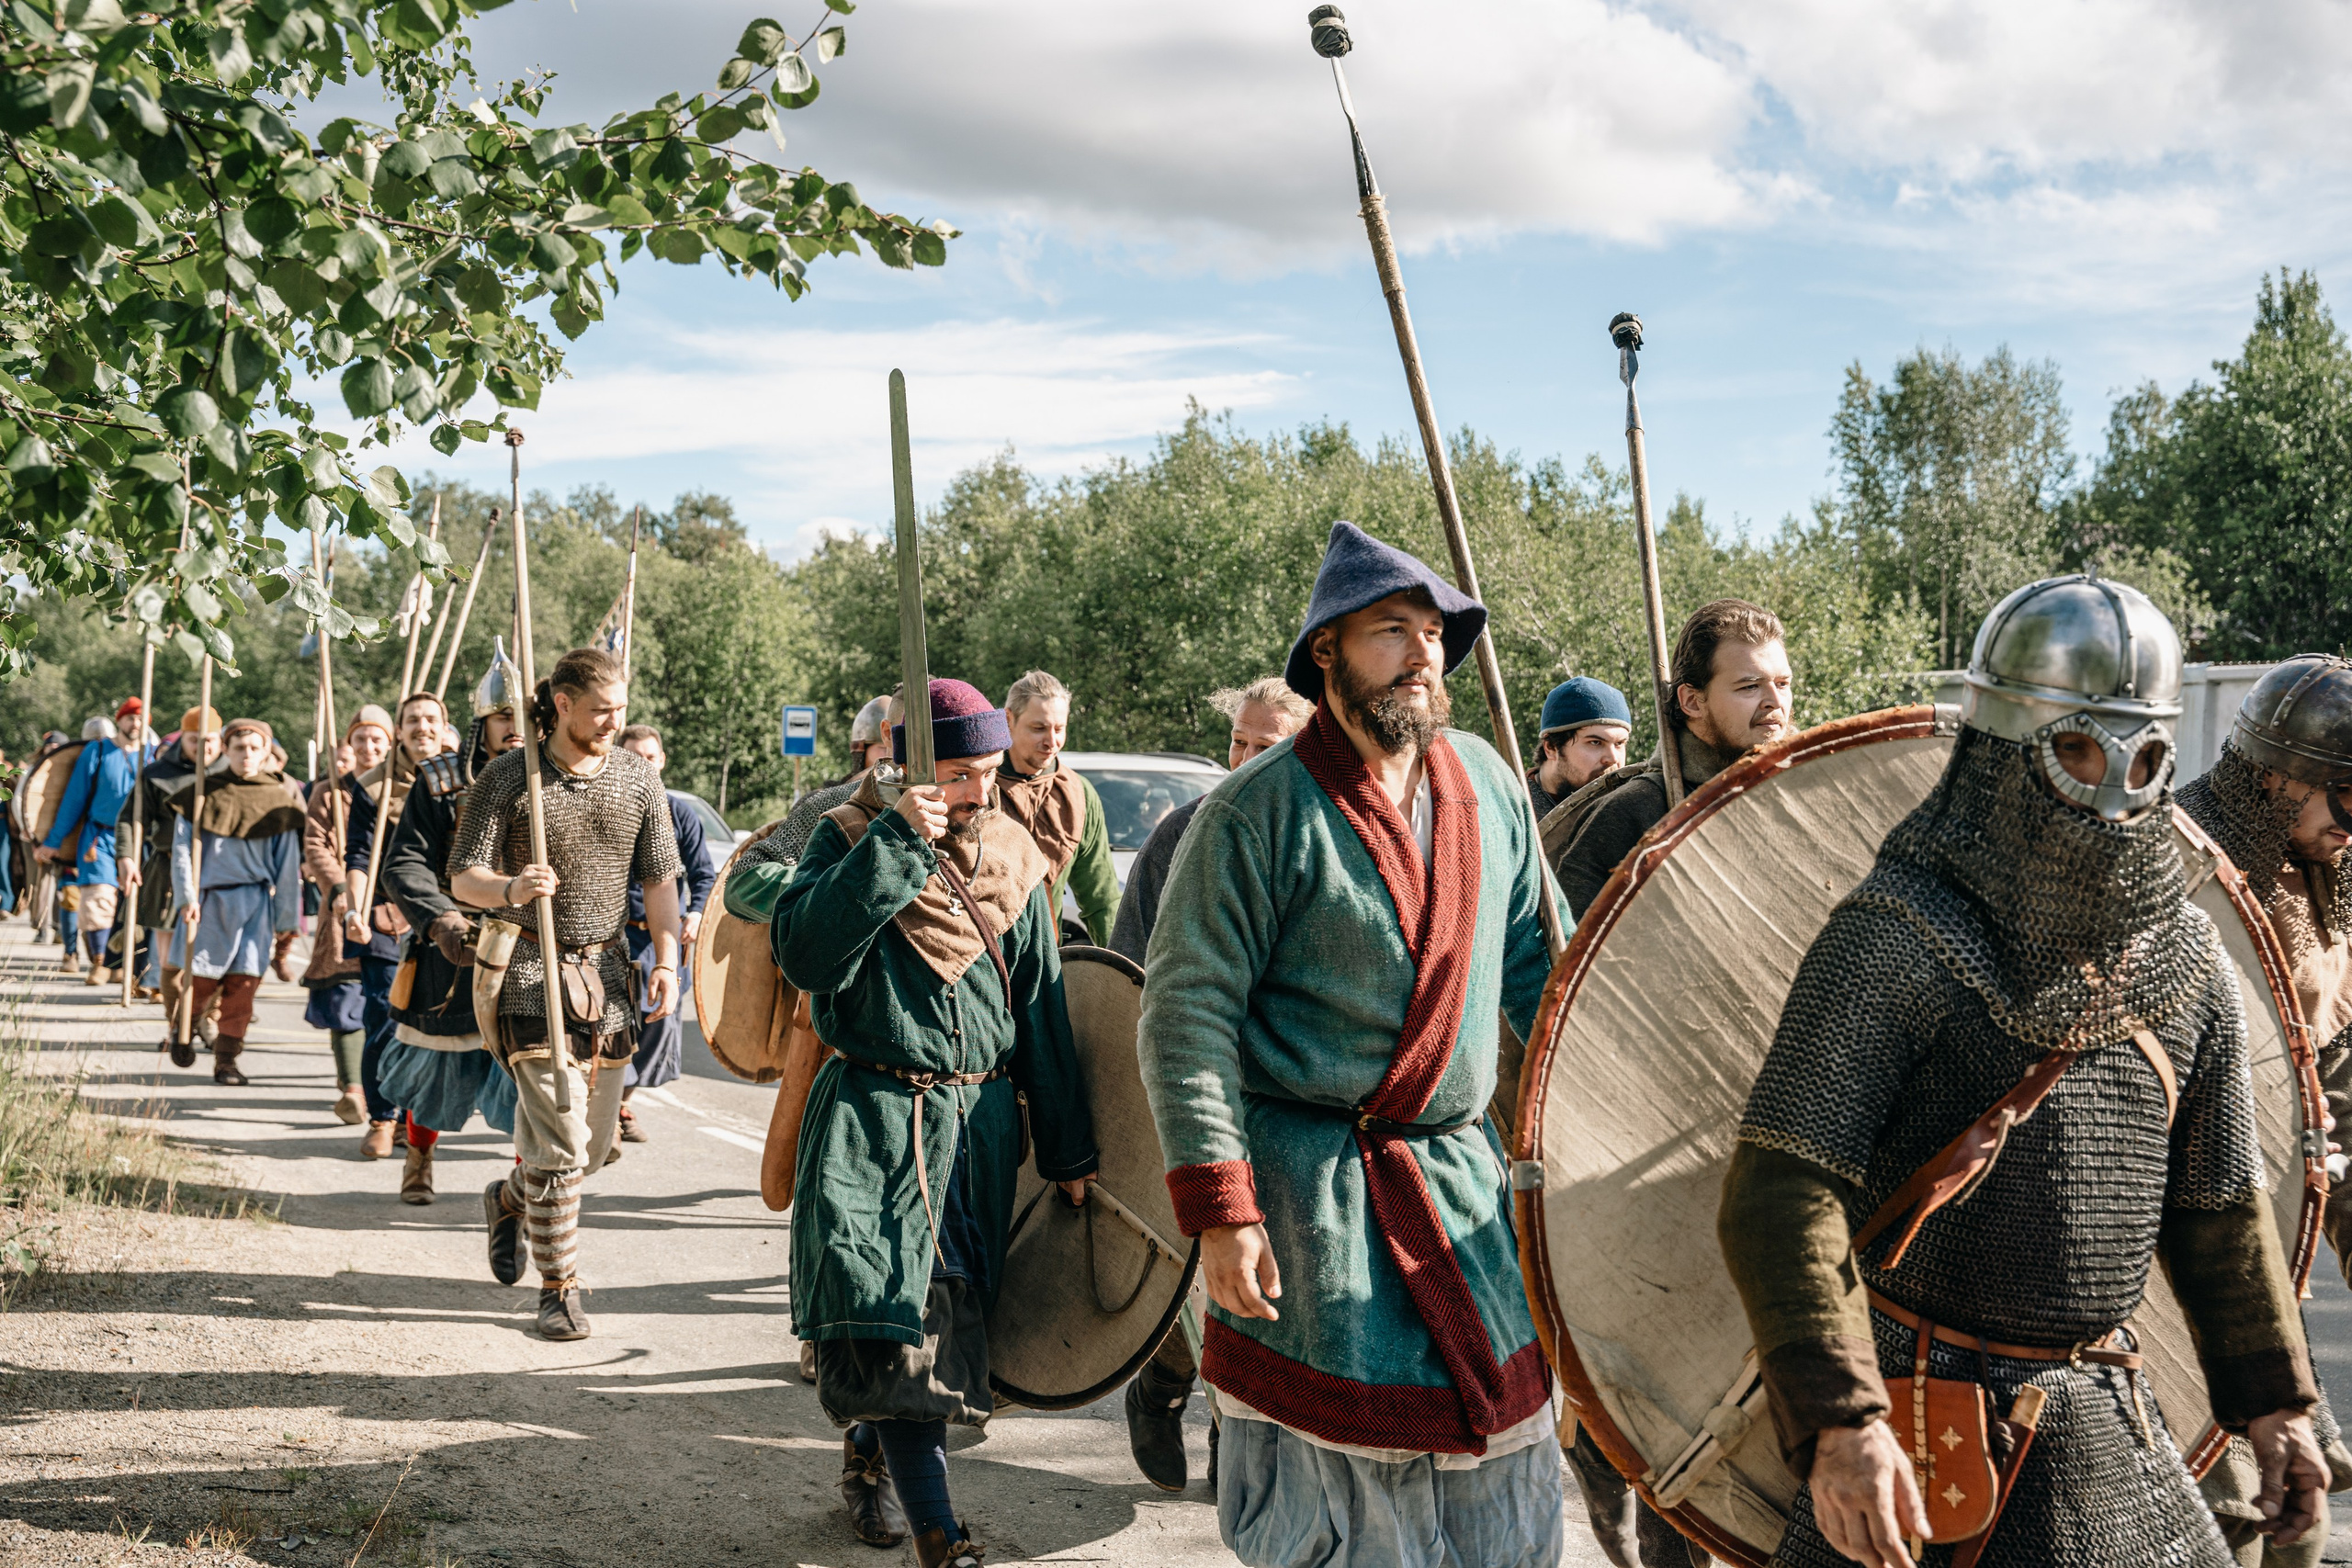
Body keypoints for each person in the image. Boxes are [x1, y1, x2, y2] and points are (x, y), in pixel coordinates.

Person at [1718, 574, 2327, 1568]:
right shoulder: (1897, 939)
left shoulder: (2183, 964)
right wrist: (1840, 1421)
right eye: (2076, 749)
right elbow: (1782, 1192)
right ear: (2000, 749)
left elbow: (2217, 1212)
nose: (2109, 789)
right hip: (1916, 1416)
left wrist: (2276, 1406)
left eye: (2143, 760)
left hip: (2101, 1414)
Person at [1138, 522, 1563, 1568]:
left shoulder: (1487, 783)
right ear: (1326, 650)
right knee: (1347, 1508)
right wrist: (1222, 1212)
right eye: (1391, 631)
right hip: (1313, 1203)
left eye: (1433, 633)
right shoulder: (1254, 811)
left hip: (1459, 1185)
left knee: (1506, 1471)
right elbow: (1183, 1015)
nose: (1423, 653)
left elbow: (1541, 968)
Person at [774, 675, 1098, 1568]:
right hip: (873, 1122)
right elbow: (805, 953)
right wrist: (891, 848)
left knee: (951, 1322)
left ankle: (871, 1451)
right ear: (909, 769)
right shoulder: (848, 838)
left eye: (987, 773)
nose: (976, 793)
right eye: (957, 774)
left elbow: (1040, 1011)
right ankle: (942, 1541)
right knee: (896, 1319)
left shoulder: (1015, 856)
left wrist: (1069, 1148)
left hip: (978, 1128)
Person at [1104, 671, 1312, 1494]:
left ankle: (1239, 1432)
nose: (1247, 758)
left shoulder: (1320, 832)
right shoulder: (1182, 832)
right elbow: (1129, 969)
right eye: (1239, 742)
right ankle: (1163, 1378)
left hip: (1286, 1107)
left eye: (1266, 745)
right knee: (1192, 1266)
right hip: (1194, 1094)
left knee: (1269, 1281)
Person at [447, 647, 684, 1343]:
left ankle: (507, 1198)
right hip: (528, 968)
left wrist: (667, 956)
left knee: (591, 1147)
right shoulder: (507, 776)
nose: (615, 721)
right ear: (562, 705)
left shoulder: (638, 780)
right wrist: (511, 889)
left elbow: (661, 883)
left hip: (607, 977)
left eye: (621, 709)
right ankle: (559, 1290)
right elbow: (464, 876)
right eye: (601, 709)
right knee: (557, 1143)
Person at [2176, 654, 2352, 1562]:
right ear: (2277, 776)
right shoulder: (2174, 863)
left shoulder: (2323, 874)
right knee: (2236, 1521)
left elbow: (2339, 1072)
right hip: (2181, 1265)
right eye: (2347, 798)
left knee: (2295, 1519)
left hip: (2277, 1241)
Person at [377, 646, 529, 1206]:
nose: (514, 728)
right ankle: (418, 1158)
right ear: (482, 722)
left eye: (524, 717)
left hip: (529, 947)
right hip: (456, 945)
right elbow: (406, 861)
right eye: (503, 716)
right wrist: (441, 918)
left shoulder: (558, 782)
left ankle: (525, 1182)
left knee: (529, 1070)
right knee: (433, 1063)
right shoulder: (442, 780)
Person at [1550, 600, 1792, 919]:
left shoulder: (1800, 793)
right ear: (1692, 701)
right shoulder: (1633, 813)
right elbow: (1572, 954)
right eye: (1749, 686)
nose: (1775, 702)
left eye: (1783, 684)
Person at [165, 718, 304, 1086]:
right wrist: (187, 896)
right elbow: (182, 850)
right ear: (225, 750)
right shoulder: (202, 793)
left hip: (256, 903)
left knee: (243, 987)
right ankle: (182, 1028)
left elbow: (287, 867)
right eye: (239, 747)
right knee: (202, 982)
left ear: (265, 753)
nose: (246, 755)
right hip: (209, 901)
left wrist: (286, 918)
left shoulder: (278, 800)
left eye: (254, 748)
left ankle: (226, 1061)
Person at [343, 694, 448, 1160]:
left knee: (437, 1027)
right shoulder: (372, 787)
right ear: (399, 731)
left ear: (444, 728)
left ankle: (417, 1121)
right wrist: (356, 910)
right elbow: (360, 856)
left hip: (448, 916)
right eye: (412, 721)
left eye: (430, 719)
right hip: (388, 916)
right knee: (385, 1018)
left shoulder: (460, 779)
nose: (421, 727)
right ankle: (382, 1117)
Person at [612, 723, 717, 1147]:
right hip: (615, 941)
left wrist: (694, 913)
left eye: (650, 758)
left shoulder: (679, 814)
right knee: (613, 1027)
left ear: (662, 761)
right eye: (634, 757)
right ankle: (610, 1114)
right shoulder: (608, 806)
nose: (643, 765)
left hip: (664, 945)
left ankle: (619, 1102)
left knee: (658, 1026)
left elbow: (704, 875)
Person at [995, 671, 1121, 944]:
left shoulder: (1078, 793)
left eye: (1059, 729)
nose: (1052, 742)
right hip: (982, 958)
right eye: (1038, 728)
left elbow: (1101, 898)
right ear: (1009, 720)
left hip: (1047, 956)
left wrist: (1122, 975)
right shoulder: (978, 785)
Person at [301, 718, 384, 1125]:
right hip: (343, 908)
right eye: (360, 739)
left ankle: (380, 1089)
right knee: (346, 994)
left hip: (391, 909)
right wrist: (338, 891)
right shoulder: (329, 792)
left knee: (385, 1000)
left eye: (376, 739)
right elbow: (316, 845)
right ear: (349, 743)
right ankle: (354, 1089)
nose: (368, 746)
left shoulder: (403, 787)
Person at [40, 698, 152, 986]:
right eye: (129, 718)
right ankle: (101, 962)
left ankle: (124, 966)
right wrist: (53, 841)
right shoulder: (98, 750)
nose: (135, 724)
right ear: (120, 720)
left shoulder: (153, 755)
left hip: (139, 838)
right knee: (97, 900)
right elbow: (73, 800)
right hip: (100, 837)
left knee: (133, 903)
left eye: (140, 718)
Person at [132, 710, 224, 1036]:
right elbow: (132, 818)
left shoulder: (231, 772)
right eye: (194, 740)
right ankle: (175, 1025)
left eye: (210, 740)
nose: (203, 747)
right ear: (182, 739)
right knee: (170, 957)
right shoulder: (157, 773)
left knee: (214, 954)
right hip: (167, 867)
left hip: (218, 871)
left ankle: (208, 1019)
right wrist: (126, 858)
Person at [1526, 676, 1632, 820]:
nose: (1613, 759)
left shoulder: (1630, 809)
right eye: (1595, 742)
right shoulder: (1517, 812)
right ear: (1551, 747)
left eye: (1619, 743)